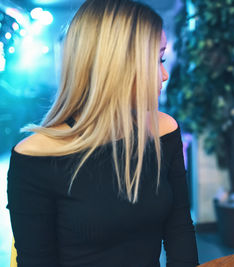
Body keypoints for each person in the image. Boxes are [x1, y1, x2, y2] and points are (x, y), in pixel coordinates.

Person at [6, 0, 198, 266]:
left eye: (162, 59)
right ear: (115, 67)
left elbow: (180, 231)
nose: (164, 74)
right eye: (156, 61)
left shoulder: (163, 131)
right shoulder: (35, 157)